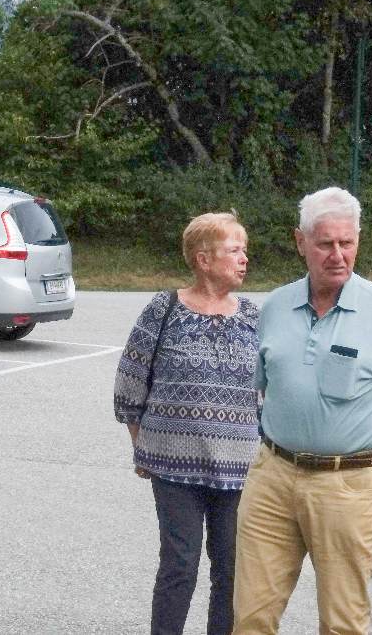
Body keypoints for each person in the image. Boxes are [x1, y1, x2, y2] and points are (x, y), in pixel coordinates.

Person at [232, 186, 372, 634]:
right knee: (251, 615)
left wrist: (368, 466)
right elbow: (266, 390)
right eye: (325, 244)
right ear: (301, 243)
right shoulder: (275, 306)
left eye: (346, 243)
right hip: (273, 478)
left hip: (347, 486)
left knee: (343, 622)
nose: (337, 255)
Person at [113, 212, 260, 635]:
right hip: (172, 469)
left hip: (239, 470)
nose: (244, 259)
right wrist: (143, 447)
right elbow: (130, 383)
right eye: (234, 250)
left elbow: (270, 393)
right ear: (203, 259)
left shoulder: (255, 317)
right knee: (179, 565)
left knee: (231, 569)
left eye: (244, 250)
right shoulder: (164, 309)